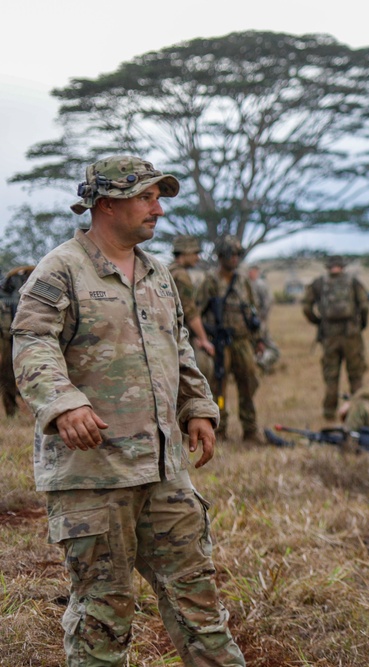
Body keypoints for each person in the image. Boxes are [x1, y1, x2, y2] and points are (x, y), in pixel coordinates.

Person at [11, 155, 244, 666]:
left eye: (158, 197)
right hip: (94, 474)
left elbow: (177, 343)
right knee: (104, 613)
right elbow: (32, 342)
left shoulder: (158, 273)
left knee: (200, 605)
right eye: (147, 197)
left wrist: (197, 405)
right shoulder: (62, 268)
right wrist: (63, 403)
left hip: (163, 470)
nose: (158, 209)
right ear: (108, 203)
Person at [197, 235, 264, 443]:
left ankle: (250, 429)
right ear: (220, 257)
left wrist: (258, 339)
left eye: (237, 255)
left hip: (243, 340)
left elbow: (253, 311)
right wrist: (202, 338)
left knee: (248, 383)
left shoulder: (243, 280)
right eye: (230, 255)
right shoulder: (210, 281)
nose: (234, 258)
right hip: (220, 342)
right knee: (219, 387)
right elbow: (196, 311)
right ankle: (220, 429)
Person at [301, 254, 369, 420]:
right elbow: (365, 305)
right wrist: (361, 325)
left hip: (329, 334)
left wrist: (318, 321)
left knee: (331, 375)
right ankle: (358, 411)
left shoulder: (318, 283)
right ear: (343, 266)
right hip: (351, 334)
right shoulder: (353, 281)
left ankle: (329, 413)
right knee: (356, 375)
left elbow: (306, 307)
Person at [168, 235, 214, 378]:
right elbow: (190, 312)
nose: (198, 257)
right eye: (195, 253)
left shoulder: (166, 271)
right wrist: (204, 340)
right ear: (184, 252)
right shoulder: (181, 276)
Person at [0, 265, 33, 417]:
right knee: (7, 375)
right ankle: (11, 412)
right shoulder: (7, 287)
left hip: (31, 336)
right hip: (8, 338)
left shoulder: (39, 277)